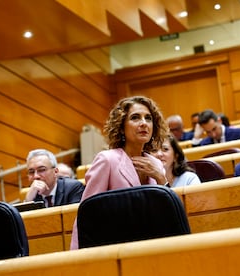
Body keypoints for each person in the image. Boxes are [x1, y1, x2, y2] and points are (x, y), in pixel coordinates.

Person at [70, 96, 169, 249]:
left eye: (148, 118)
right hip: (116, 246)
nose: (143, 123)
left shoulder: (156, 164)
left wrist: (161, 178)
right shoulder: (107, 160)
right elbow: (87, 214)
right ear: (122, 127)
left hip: (154, 244)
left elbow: (168, 211)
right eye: (135, 118)